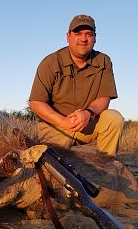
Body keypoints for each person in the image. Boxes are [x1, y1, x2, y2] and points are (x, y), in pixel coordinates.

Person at [29, 14, 124, 156]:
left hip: (86, 123)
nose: (84, 39)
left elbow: (105, 98)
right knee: (53, 169)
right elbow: (36, 102)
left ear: (95, 38)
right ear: (68, 37)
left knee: (114, 118)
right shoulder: (50, 62)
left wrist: (88, 113)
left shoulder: (104, 61)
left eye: (88, 34)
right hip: (56, 126)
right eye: (78, 33)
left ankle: (106, 168)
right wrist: (64, 122)